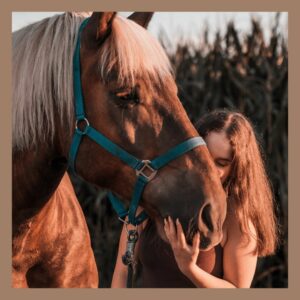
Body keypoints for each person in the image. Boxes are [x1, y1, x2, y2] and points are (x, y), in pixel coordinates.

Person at [111, 110, 279, 288]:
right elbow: (122, 272)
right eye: (204, 156)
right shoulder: (153, 200)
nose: (209, 169)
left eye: (221, 163)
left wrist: (190, 268)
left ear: (237, 169)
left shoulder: (237, 221)